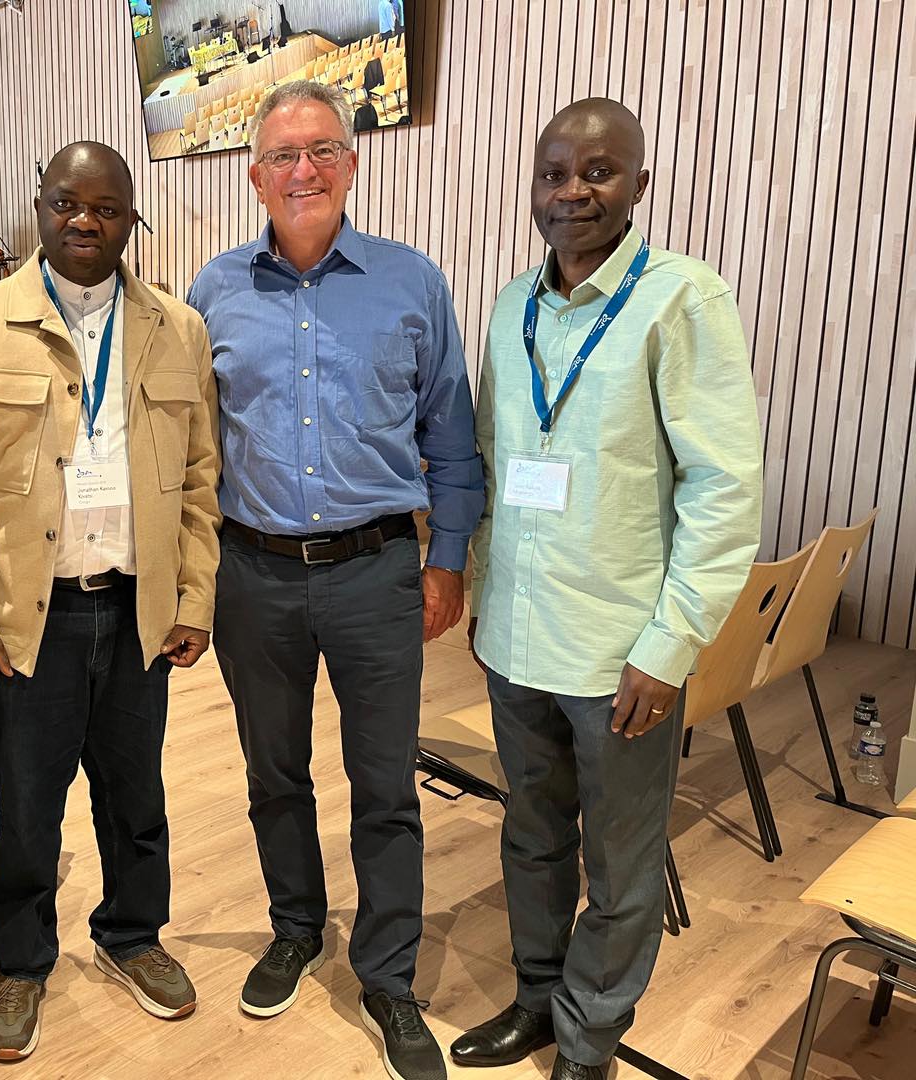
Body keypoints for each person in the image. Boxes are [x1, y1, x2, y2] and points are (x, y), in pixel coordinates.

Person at [454, 98, 763, 1080]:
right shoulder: (512, 304)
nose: (573, 192)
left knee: (623, 866)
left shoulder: (683, 300)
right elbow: (492, 458)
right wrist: (482, 588)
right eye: (554, 173)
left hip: (620, 654)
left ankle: (588, 1041)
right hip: (517, 637)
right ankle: (537, 1000)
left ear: (640, 184)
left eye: (598, 171)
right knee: (531, 836)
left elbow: (723, 491)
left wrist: (670, 647)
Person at [186, 81, 483, 1080]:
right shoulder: (214, 291)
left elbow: (453, 438)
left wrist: (447, 561)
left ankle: (389, 976)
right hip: (252, 575)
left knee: (385, 784)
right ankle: (295, 928)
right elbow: (191, 448)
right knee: (273, 773)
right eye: (283, 155)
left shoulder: (411, 283)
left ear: (351, 163)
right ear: (255, 175)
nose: (303, 170)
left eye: (321, 150)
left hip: (377, 572)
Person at [0, 141, 222, 1064]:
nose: (84, 221)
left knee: (136, 793)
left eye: (106, 207)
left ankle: (133, 935)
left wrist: (196, 598)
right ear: (39, 206)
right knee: (27, 802)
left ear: (132, 218)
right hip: (27, 619)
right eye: (66, 203)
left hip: (136, 609)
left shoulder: (178, 327)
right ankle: (19, 959)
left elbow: (201, 477)